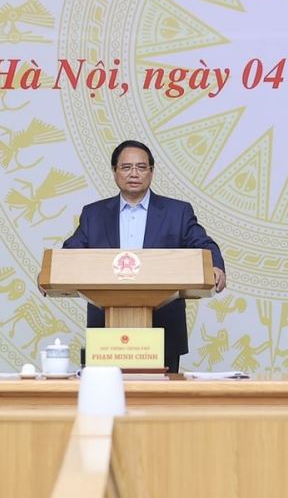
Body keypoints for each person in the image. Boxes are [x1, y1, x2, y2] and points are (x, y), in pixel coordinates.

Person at [62, 140, 225, 372]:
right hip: (107, 332)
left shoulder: (177, 212)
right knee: (108, 395)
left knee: (160, 396)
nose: (134, 173)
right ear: (114, 172)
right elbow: (70, 253)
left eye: (141, 167)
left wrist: (215, 266)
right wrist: (49, 273)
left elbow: (204, 244)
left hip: (164, 328)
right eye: (126, 167)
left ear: (151, 171)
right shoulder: (93, 214)